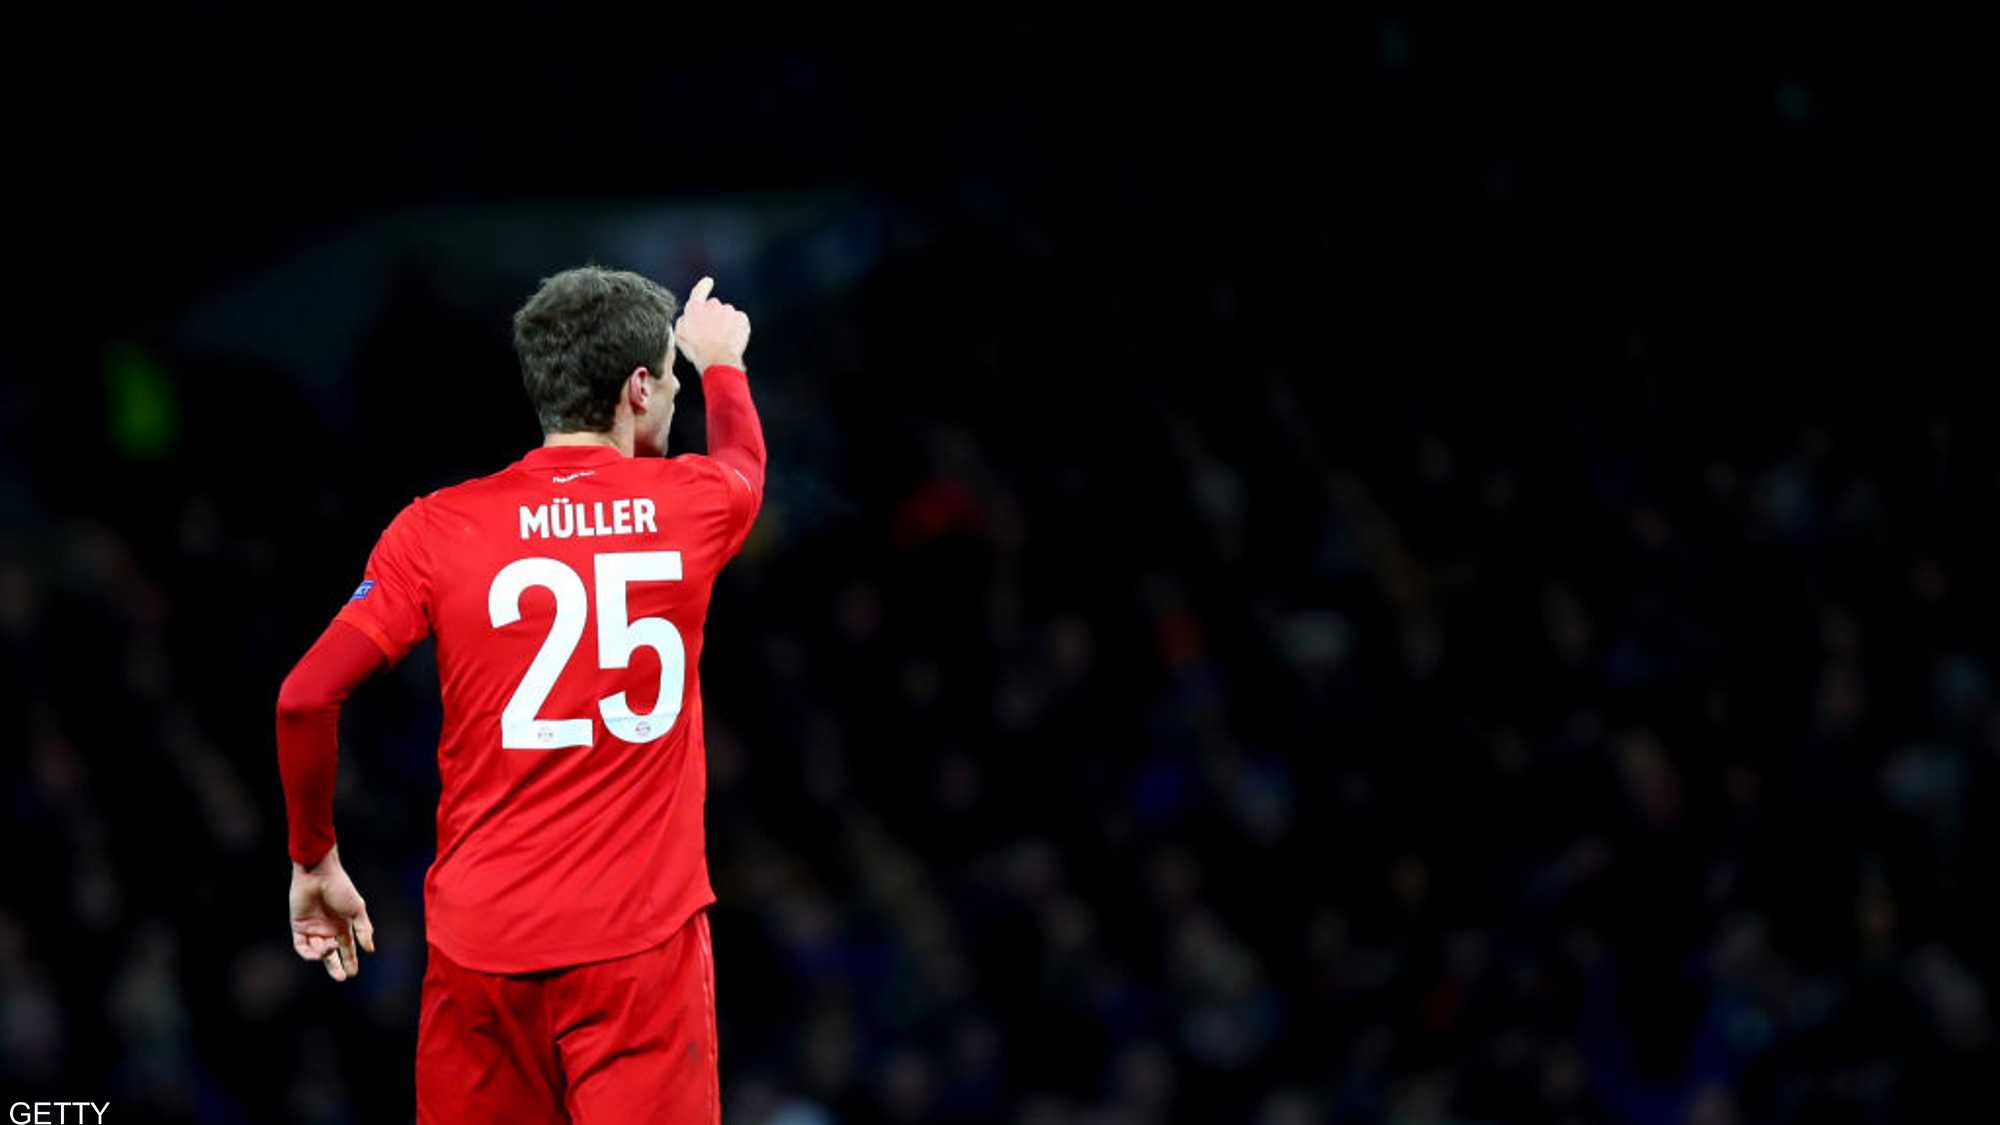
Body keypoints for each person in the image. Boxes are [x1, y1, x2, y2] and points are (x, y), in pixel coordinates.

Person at [274, 269, 763, 1123]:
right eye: (670, 380)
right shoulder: (693, 505)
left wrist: (314, 859)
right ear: (637, 388)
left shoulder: (436, 527)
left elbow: (303, 698)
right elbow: (743, 465)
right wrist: (723, 364)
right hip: (639, 952)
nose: (676, 396)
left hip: (481, 953)